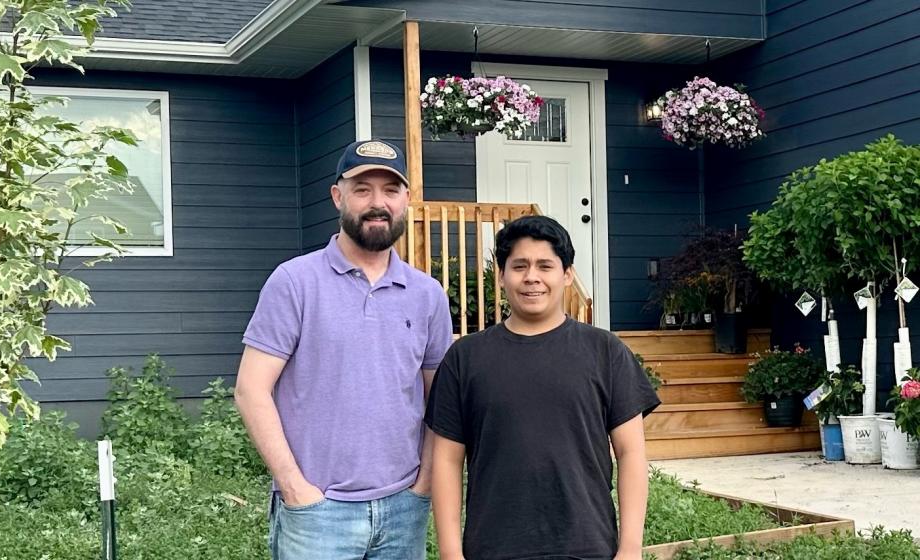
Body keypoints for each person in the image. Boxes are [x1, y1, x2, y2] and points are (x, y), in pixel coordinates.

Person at [234, 139, 454, 559]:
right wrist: (296, 488)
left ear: (406, 199)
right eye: (362, 189)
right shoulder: (294, 282)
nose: (378, 203)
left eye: (391, 190)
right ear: (338, 196)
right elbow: (251, 390)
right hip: (317, 515)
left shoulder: (428, 295)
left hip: (403, 509)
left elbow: (439, 401)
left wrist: (424, 484)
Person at [426, 215, 661, 560]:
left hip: (588, 547)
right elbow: (446, 460)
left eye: (545, 266)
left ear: (566, 274)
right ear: (502, 274)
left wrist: (630, 548)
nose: (532, 277)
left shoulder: (606, 352)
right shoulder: (465, 358)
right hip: (492, 548)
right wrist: (450, 553)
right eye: (519, 265)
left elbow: (631, 454)